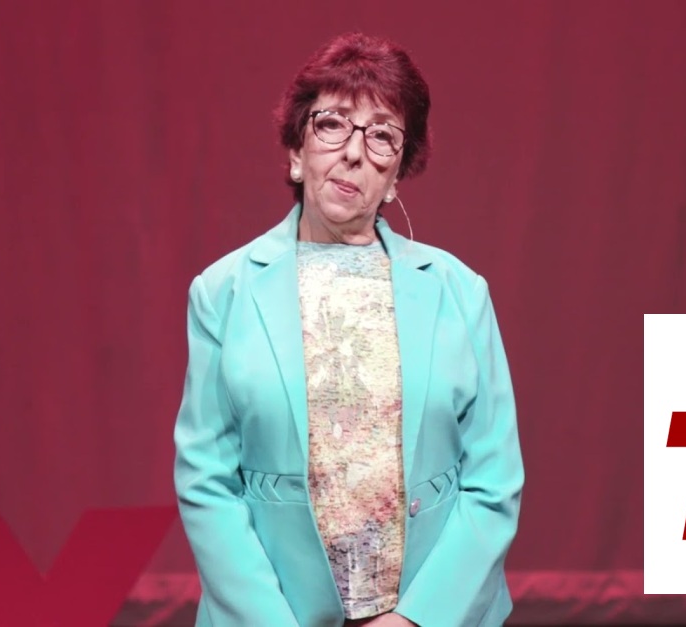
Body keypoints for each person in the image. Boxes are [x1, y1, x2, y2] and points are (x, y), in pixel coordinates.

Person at [173, 32, 524, 627]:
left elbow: (493, 482)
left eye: (382, 135)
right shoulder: (223, 292)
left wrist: (417, 619)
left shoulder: (460, 292)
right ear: (296, 151)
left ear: (396, 176)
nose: (355, 153)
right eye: (333, 124)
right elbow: (207, 482)